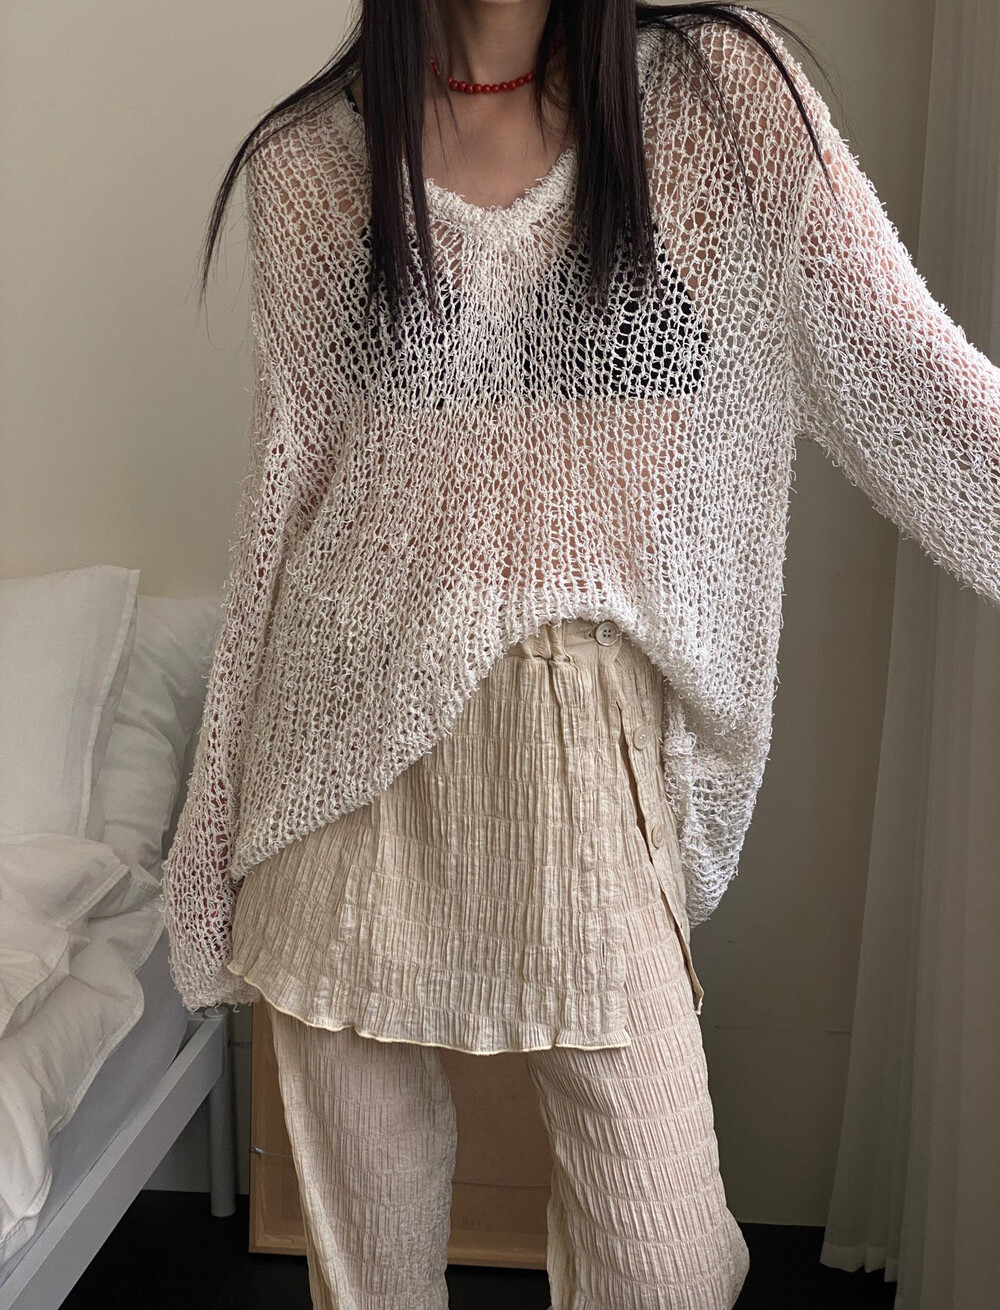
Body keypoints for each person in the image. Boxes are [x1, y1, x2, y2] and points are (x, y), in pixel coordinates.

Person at [162, 2, 1000, 1306]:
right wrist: (214, 822)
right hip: (335, 775)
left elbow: (917, 385)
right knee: (368, 1278)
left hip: (578, 759)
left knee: (666, 1267)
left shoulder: (721, 100)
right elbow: (285, 501)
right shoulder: (311, 161)